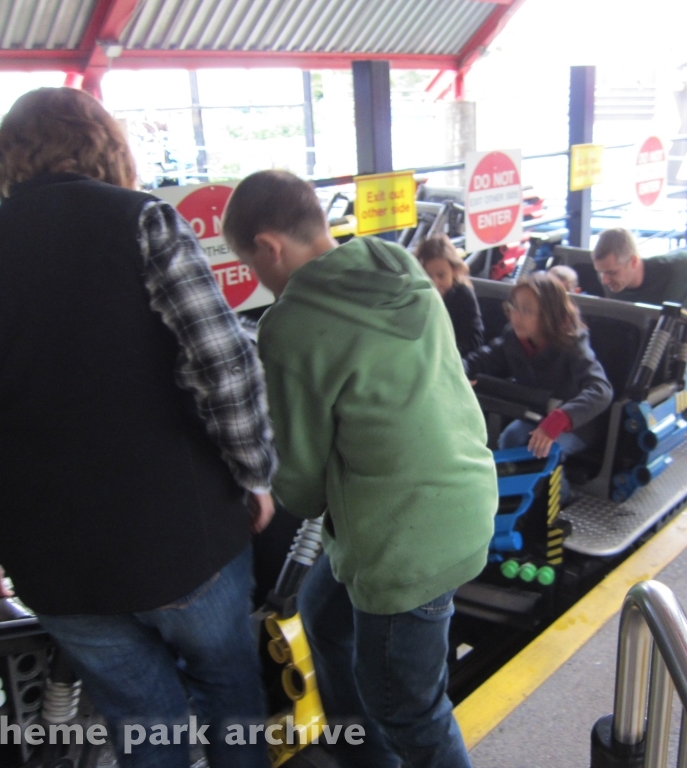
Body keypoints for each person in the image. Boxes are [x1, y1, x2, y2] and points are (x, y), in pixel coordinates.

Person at [0, 88, 277, 767]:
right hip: (181, 538)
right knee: (226, 688)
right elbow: (223, 361)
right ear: (108, 148)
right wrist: (254, 473)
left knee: (140, 717)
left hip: (55, 563)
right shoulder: (142, 221)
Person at [221, 170, 498, 768]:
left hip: (406, 541)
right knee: (322, 611)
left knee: (409, 707)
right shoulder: (399, 266)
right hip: (466, 494)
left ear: (269, 247)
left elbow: (298, 484)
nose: (256, 277)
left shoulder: (289, 327)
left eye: (250, 263)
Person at [463, 273, 613, 500]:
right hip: (536, 416)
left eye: (527, 310)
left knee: (542, 451)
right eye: (514, 307)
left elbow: (601, 390)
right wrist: (458, 370)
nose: (516, 317)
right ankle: (517, 496)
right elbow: (482, 360)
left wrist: (561, 418)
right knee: (510, 440)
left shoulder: (573, 344)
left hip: (575, 423)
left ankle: (559, 500)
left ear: (548, 316)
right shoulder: (513, 338)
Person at [591, 228, 687, 350]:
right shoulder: (607, 279)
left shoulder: (675, 268)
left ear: (633, 261)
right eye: (600, 272)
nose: (604, 280)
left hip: (684, 353)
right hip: (638, 351)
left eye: (612, 272)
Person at [416, 234, 486, 354]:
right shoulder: (417, 297)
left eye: (441, 275)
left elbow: (475, 340)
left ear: (454, 271)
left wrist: (445, 355)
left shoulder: (463, 295)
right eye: (427, 276)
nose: (435, 283)